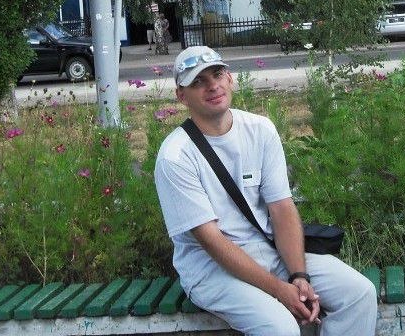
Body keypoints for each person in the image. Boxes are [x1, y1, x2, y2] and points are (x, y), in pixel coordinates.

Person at [154, 46, 377, 336]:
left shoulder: (260, 129)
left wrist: (298, 275)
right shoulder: (175, 155)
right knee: (280, 328)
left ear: (230, 79)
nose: (212, 86)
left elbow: (281, 208)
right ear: (181, 96)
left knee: (359, 294)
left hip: (268, 250)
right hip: (210, 270)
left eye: (217, 75)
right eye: (198, 81)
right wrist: (279, 290)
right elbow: (211, 241)